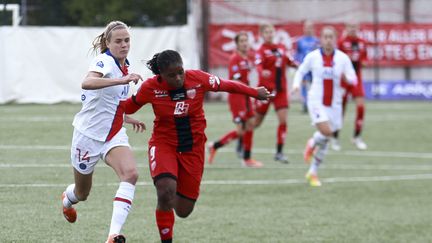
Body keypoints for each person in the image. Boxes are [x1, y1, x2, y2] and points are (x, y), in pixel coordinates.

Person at [123, 50, 272, 243]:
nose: (178, 78)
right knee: (165, 190)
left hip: (193, 149)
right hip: (164, 144)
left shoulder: (198, 79)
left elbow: (227, 85)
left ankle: (173, 189)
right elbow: (128, 106)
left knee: (184, 211)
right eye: (171, 75)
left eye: (180, 72)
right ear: (160, 75)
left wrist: (254, 92)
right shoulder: (150, 88)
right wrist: (109, 101)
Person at [60, 20, 145, 243]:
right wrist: (122, 79)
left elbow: (112, 103)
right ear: (108, 43)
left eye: (127, 40)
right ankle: (67, 200)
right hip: (87, 136)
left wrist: (128, 118)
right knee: (82, 193)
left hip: (113, 135)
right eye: (118, 41)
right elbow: (87, 83)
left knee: (131, 174)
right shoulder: (104, 61)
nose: (124, 45)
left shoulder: (125, 65)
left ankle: (113, 235)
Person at [292, 26, 357, 186]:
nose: (328, 40)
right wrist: (296, 85)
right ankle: (312, 143)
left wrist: (348, 79)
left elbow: (353, 77)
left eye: (331, 37)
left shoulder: (342, 58)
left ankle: (312, 172)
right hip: (316, 100)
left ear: (335, 39)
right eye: (325, 37)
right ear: (321, 39)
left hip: (335, 102)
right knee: (326, 132)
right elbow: (301, 71)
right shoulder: (313, 56)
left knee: (327, 137)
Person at [207, 31, 263, 168]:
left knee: (250, 125)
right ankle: (215, 145)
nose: (245, 43)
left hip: (246, 96)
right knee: (240, 131)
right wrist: (253, 91)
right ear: (237, 44)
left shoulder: (245, 59)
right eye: (242, 41)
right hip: (237, 97)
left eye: (246, 40)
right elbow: (235, 81)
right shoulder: (235, 59)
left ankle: (247, 158)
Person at [255, 23, 297, 164]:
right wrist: (262, 72)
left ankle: (279, 152)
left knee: (283, 120)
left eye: (271, 31)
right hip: (265, 92)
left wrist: (300, 66)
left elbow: (290, 61)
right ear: (262, 35)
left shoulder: (281, 48)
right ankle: (242, 142)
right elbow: (258, 65)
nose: (269, 34)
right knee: (255, 123)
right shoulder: (261, 50)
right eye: (266, 32)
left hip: (280, 91)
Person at [332, 21, 368, 151]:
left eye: (355, 27)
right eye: (350, 27)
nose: (353, 29)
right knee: (340, 109)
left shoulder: (362, 42)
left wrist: (363, 63)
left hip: (356, 79)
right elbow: (336, 61)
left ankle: (357, 137)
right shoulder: (342, 42)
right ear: (346, 29)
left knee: (361, 107)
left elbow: (364, 59)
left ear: (358, 28)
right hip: (343, 80)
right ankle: (335, 137)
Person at [295, 20, 319, 113]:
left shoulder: (317, 41)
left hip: (314, 67)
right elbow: (297, 53)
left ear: (313, 29)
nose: (308, 29)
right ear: (304, 29)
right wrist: (297, 62)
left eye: (310, 27)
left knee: (315, 85)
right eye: (307, 27)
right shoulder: (300, 41)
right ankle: (305, 104)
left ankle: (314, 103)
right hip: (304, 66)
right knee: (304, 84)